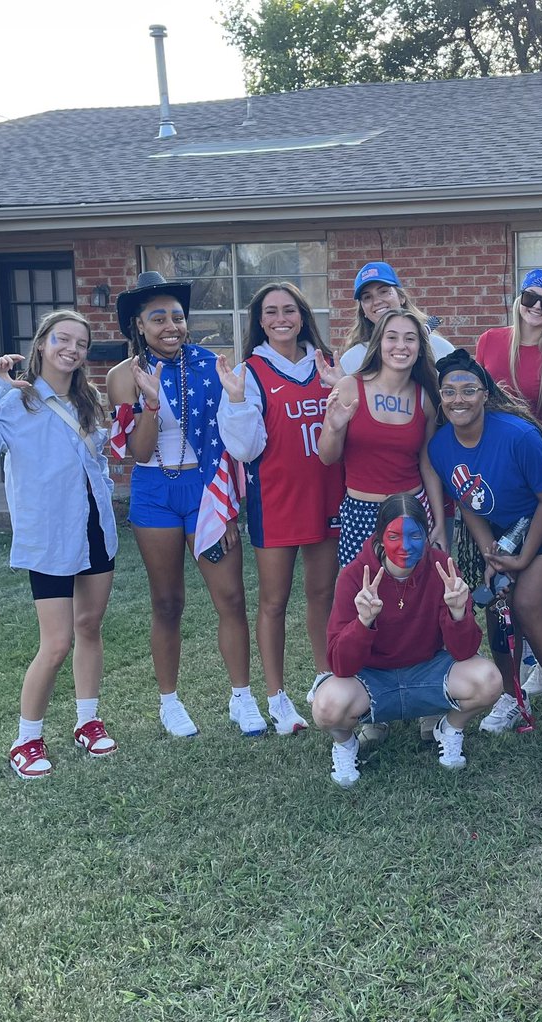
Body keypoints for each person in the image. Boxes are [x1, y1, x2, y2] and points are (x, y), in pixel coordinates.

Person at [0, 311, 119, 778]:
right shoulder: (15, 401)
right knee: (56, 642)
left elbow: (98, 460)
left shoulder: (88, 400)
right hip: (51, 536)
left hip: (96, 530)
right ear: (42, 344)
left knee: (89, 627)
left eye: (81, 343)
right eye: (62, 339)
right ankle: (26, 739)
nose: (71, 349)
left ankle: (87, 722)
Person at [106, 272, 259, 738]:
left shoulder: (210, 365)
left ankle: (242, 697)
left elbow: (232, 437)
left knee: (230, 597)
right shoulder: (122, 376)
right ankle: (170, 703)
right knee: (168, 602)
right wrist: (150, 403)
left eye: (177, 316)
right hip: (155, 492)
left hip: (206, 490)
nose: (171, 325)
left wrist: (228, 505)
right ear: (138, 324)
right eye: (158, 318)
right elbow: (137, 452)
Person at [429, 348, 542, 748]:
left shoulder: (517, 435)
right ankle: (512, 697)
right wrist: (491, 553)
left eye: (468, 390)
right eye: (449, 392)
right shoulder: (441, 446)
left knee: (529, 606)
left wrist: (520, 557)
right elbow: (467, 500)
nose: (458, 399)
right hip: (500, 530)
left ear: (485, 394)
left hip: (541, 521)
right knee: (497, 606)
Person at [216, 281, 346, 735]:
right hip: (276, 498)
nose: (280, 318)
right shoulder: (249, 373)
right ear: (260, 320)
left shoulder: (326, 362)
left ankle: (326, 678)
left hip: (328, 493)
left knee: (323, 594)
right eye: (270, 312)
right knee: (274, 601)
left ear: (302, 314)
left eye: (288, 309)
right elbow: (246, 448)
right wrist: (235, 401)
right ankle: (276, 696)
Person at [307, 494, 503, 787]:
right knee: (327, 707)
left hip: (427, 671)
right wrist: (363, 623)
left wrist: (458, 613)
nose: (405, 546)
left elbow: (464, 652)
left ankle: (449, 728)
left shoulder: (443, 570)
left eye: (415, 535)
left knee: (488, 680)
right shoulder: (353, 577)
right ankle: (346, 745)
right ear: (380, 537)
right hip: (372, 679)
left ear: (426, 536)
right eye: (394, 535)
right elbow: (339, 664)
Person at [319, 307, 447, 564]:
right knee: (363, 596)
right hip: (361, 513)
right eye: (392, 337)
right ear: (378, 343)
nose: (401, 345)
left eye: (410, 338)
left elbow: (428, 464)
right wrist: (333, 428)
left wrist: (440, 522)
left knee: (412, 597)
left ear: (420, 348)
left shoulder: (425, 398)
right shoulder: (349, 388)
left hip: (412, 509)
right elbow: (327, 457)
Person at [474, 268, 542, 439]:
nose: (537, 306)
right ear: (520, 300)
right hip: (486, 442)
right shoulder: (489, 340)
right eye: (530, 297)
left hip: (532, 447)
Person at [333, 261, 454, 376]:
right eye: (367, 297)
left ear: (402, 298)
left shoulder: (440, 348)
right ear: (363, 310)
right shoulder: (353, 358)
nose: (377, 301)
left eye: (384, 291)